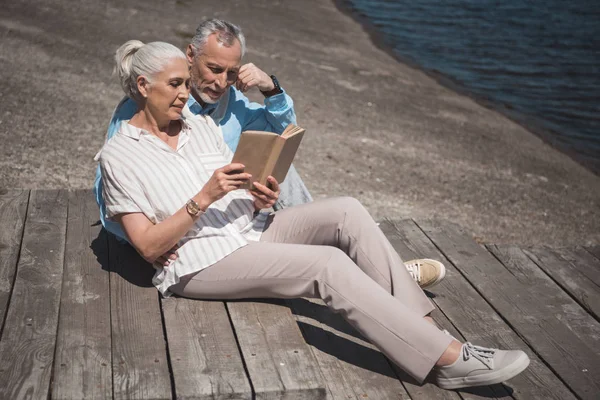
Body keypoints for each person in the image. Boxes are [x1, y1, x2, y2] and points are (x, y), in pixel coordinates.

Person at [96, 39, 530, 391]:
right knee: (326, 264)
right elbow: (149, 244)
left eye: (185, 84)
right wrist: (203, 199)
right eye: (174, 85)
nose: (185, 94)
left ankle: (423, 331)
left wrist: (259, 195)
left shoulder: (197, 126)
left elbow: (236, 184)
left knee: (347, 211)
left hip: (248, 227)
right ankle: (447, 360)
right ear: (141, 85)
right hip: (199, 260)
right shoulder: (120, 155)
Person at [94, 18, 446, 289]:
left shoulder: (232, 102)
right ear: (190, 56)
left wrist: (271, 89)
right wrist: (151, 243)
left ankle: (378, 269)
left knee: (285, 171)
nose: (220, 82)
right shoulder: (144, 109)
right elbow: (109, 186)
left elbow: (283, 134)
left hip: (238, 210)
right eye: (212, 69)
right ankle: (376, 271)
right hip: (183, 233)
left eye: (231, 73)